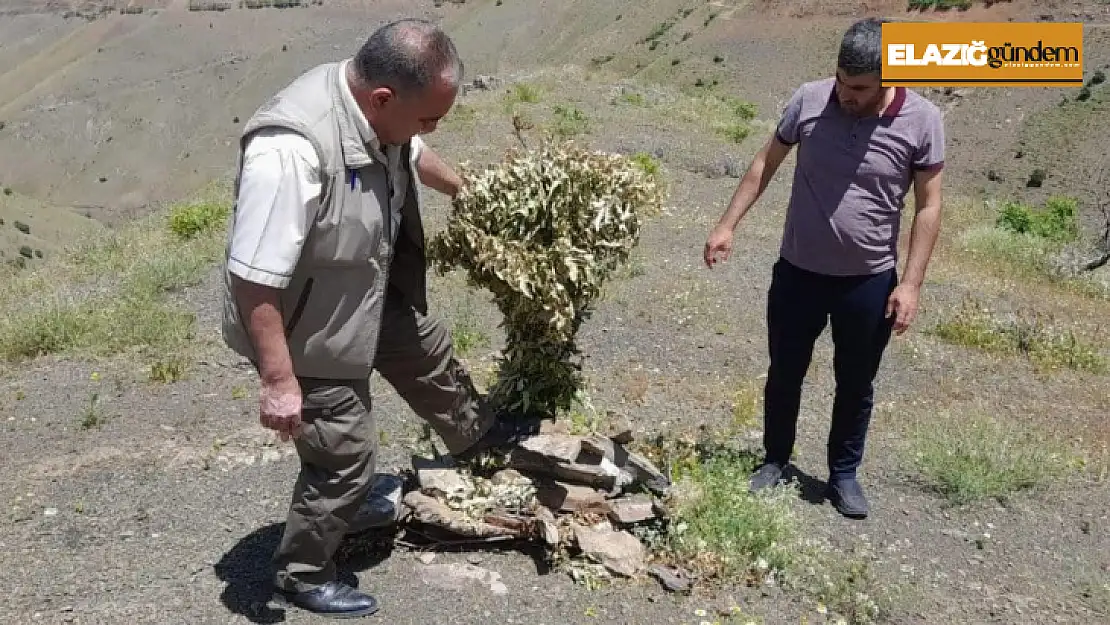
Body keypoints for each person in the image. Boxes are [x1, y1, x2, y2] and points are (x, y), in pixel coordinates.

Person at [219, 18, 536, 618]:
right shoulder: (291, 149)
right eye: (427, 118)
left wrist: (469, 193)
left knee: (428, 351)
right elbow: (253, 278)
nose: (430, 130)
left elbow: (413, 151)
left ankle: (478, 442)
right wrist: (280, 381)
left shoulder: (378, 111)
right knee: (344, 451)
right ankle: (303, 572)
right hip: (301, 325)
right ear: (383, 99)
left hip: (361, 287)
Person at [703, 17, 944, 520]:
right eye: (840, 80)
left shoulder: (923, 121)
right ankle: (775, 460)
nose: (845, 94)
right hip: (798, 272)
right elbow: (764, 163)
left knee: (855, 383)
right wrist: (727, 225)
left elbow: (928, 206)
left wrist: (912, 284)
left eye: (858, 87)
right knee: (785, 371)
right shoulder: (809, 100)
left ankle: (844, 474)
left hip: (868, 281)